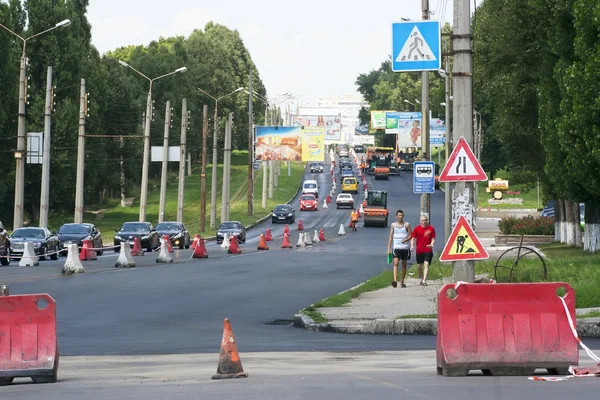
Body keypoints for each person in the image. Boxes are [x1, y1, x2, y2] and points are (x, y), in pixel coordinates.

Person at [387, 210, 412, 288]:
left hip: (405, 248)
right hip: (396, 248)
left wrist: (406, 240)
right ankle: (395, 281)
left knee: (404, 265)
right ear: (396, 216)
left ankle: (402, 281)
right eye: (399, 215)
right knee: (396, 263)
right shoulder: (393, 225)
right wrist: (388, 248)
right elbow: (391, 237)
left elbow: (411, 235)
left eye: (402, 215)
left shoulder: (407, 225)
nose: (401, 217)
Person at [410, 215, 436, 286]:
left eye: (425, 220)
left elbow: (433, 238)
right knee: (419, 266)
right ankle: (422, 278)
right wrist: (412, 246)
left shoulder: (431, 229)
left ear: (427, 220)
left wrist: (432, 243)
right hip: (419, 250)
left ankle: (424, 280)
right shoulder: (417, 229)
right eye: (422, 220)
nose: (424, 222)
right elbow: (413, 238)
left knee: (426, 264)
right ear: (420, 221)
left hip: (428, 249)